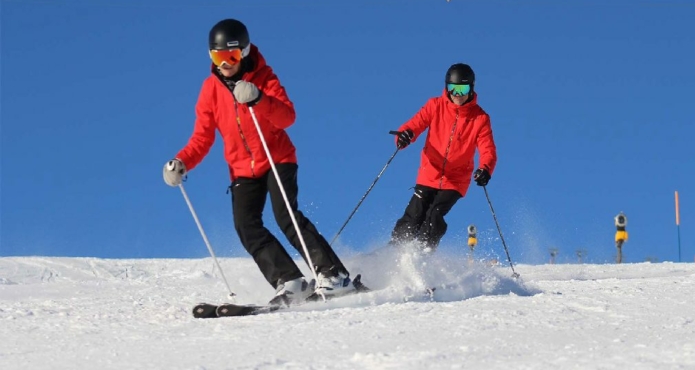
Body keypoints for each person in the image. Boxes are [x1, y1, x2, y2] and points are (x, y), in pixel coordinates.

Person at [163, 18, 351, 305]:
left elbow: (288, 116)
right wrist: (181, 162)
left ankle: (334, 275)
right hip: (242, 170)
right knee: (245, 225)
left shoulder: (264, 78)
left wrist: (259, 98)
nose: (225, 64)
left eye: (232, 56)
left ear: (245, 52)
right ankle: (290, 280)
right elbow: (202, 138)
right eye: (217, 57)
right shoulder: (210, 90)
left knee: (286, 216)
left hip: (277, 158)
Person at [390, 63, 497, 250]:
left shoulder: (480, 118)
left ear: (471, 88)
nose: (457, 94)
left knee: (434, 214)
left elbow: (487, 149)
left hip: (455, 179)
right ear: (446, 87)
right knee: (415, 213)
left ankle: (424, 253)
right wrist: (404, 136)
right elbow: (415, 124)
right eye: (452, 88)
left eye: (462, 88)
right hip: (429, 172)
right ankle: (395, 250)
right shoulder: (435, 106)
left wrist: (485, 169)